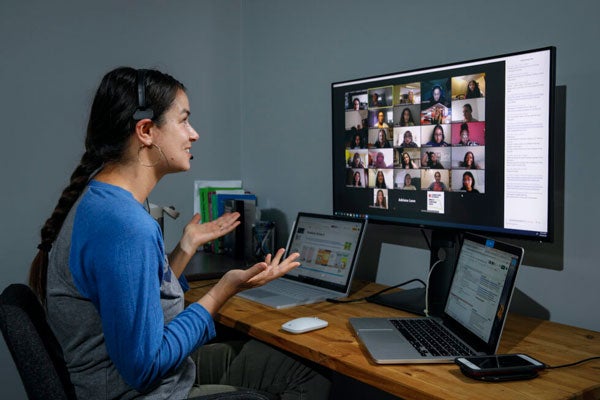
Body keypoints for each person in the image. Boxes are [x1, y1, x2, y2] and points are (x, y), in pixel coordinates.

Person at [29, 67, 330, 400]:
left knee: (296, 365)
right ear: (146, 131)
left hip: (142, 381)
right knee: (306, 377)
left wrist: (184, 248)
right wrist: (222, 290)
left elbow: (135, 302)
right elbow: (144, 366)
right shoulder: (125, 225)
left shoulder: (104, 201)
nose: (194, 134)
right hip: (147, 392)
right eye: (183, 120)